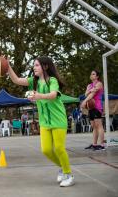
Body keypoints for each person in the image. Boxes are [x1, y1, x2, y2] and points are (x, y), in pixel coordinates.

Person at [7, 56, 74, 187]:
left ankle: (68, 174)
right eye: (34, 65)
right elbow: (16, 80)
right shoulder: (34, 81)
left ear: (45, 67)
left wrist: (39, 96)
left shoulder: (52, 80)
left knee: (59, 148)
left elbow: (54, 94)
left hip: (58, 119)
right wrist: (7, 66)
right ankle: (62, 167)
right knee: (46, 150)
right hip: (44, 122)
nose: (34, 67)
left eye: (37, 65)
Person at [81, 70, 105, 151]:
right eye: (91, 74)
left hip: (97, 106)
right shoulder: (89, 85)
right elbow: (86, 94)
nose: (91, 75)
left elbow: (92, 94)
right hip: (90, 107)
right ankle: (94, 144)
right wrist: (90, 90)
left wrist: (84, 101)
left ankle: (102, 145)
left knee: (99, 126)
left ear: (97, 76)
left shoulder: (99, 83)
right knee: (94, 126)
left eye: (93, 74)